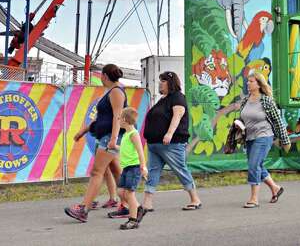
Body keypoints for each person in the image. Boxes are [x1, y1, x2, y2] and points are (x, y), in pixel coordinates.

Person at [65, 64, 127, 223]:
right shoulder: (110, 92)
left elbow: (118, 116)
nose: (100, 79)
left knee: (96, 172)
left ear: (105, 76)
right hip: (105, 136)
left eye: (101, 76)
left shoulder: (116, 92)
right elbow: (101, 118)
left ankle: (83, 209)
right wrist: (83, 131)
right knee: (116, 172)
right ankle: (127, 205)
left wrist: (113, 139)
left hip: (109, 137)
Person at [141, 71, 202, 212]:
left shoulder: (177, 97)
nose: (160, 83)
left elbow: (177, 116)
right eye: (160, 80)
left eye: (163, 81)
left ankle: (195, 199)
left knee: (180, 169)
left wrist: (169, 134)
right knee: (153, 171)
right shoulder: (163, 99)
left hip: (171, 143)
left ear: (171, 83)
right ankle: (147, 203)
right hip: (155, 144)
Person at [239, 72, 290, 208]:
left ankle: (254, 198)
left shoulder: (266, 101)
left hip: (264, 136)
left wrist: (285, 140)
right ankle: (275, 188)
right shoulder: (245, 100)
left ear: (259, 84)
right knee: (258, 165)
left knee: (253, 165)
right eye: (248, 81)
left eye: (251, 81)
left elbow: (278, 121)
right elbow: (242, 118)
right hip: (249, 137)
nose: (248, 83)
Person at [113, 107, 149, 230]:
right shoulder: (126, 134)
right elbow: (125, 148)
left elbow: (140, 151)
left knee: (129, 194)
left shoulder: (134, 134)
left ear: (124, 120)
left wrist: (143, 166)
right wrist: (115, 147)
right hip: (126, 168)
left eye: (119, 118)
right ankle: (139, 209)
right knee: (120, 192)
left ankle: (133, 220)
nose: (118, 120)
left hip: (134, 168)